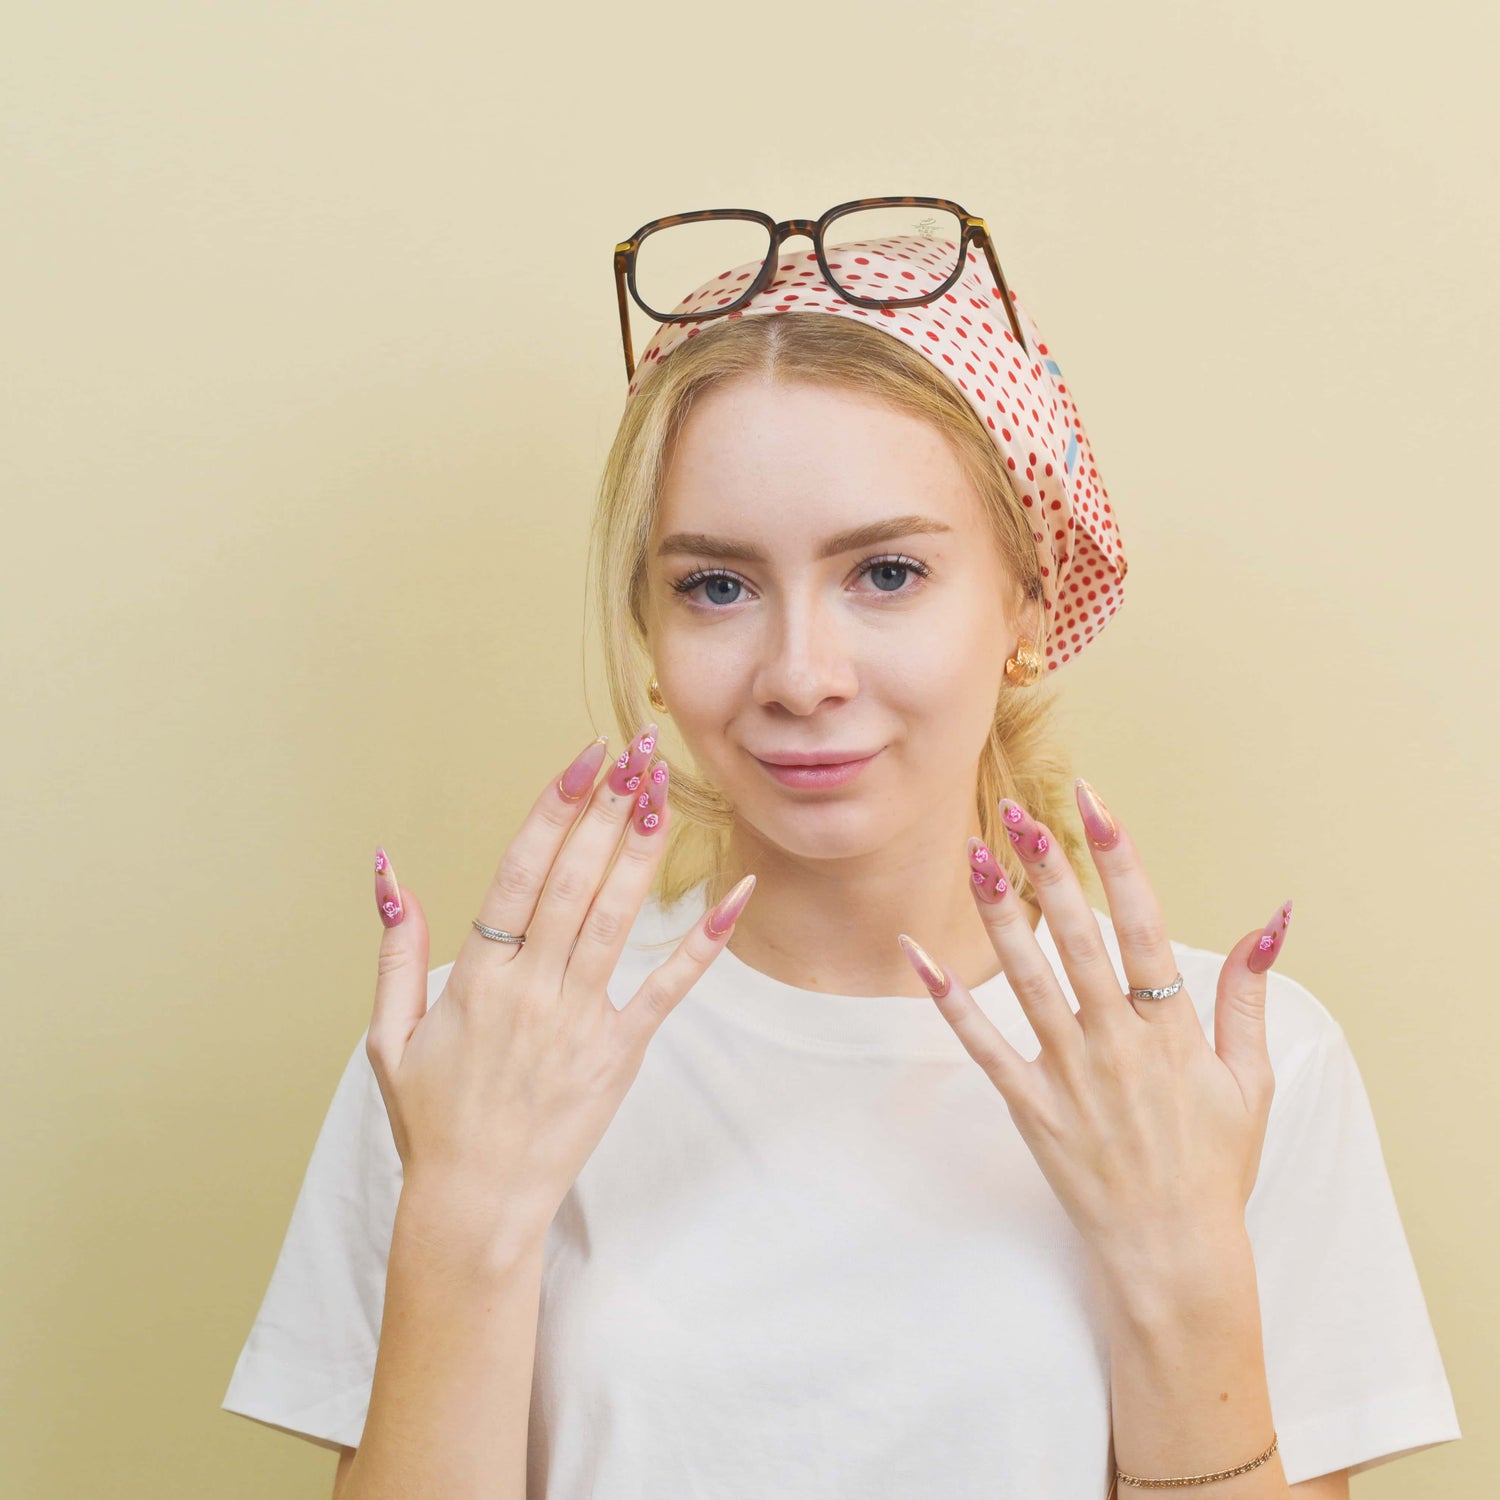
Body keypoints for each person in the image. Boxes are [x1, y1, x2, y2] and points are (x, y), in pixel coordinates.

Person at [222, 207, 1461, 1497]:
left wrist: (1182, 1260)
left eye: (885, 573)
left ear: (1028, 599)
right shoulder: (478, 1054)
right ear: (648, 624)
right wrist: (463, 1220)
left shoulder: (1224, 1068)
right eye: (717, 585)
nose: (802, 676)